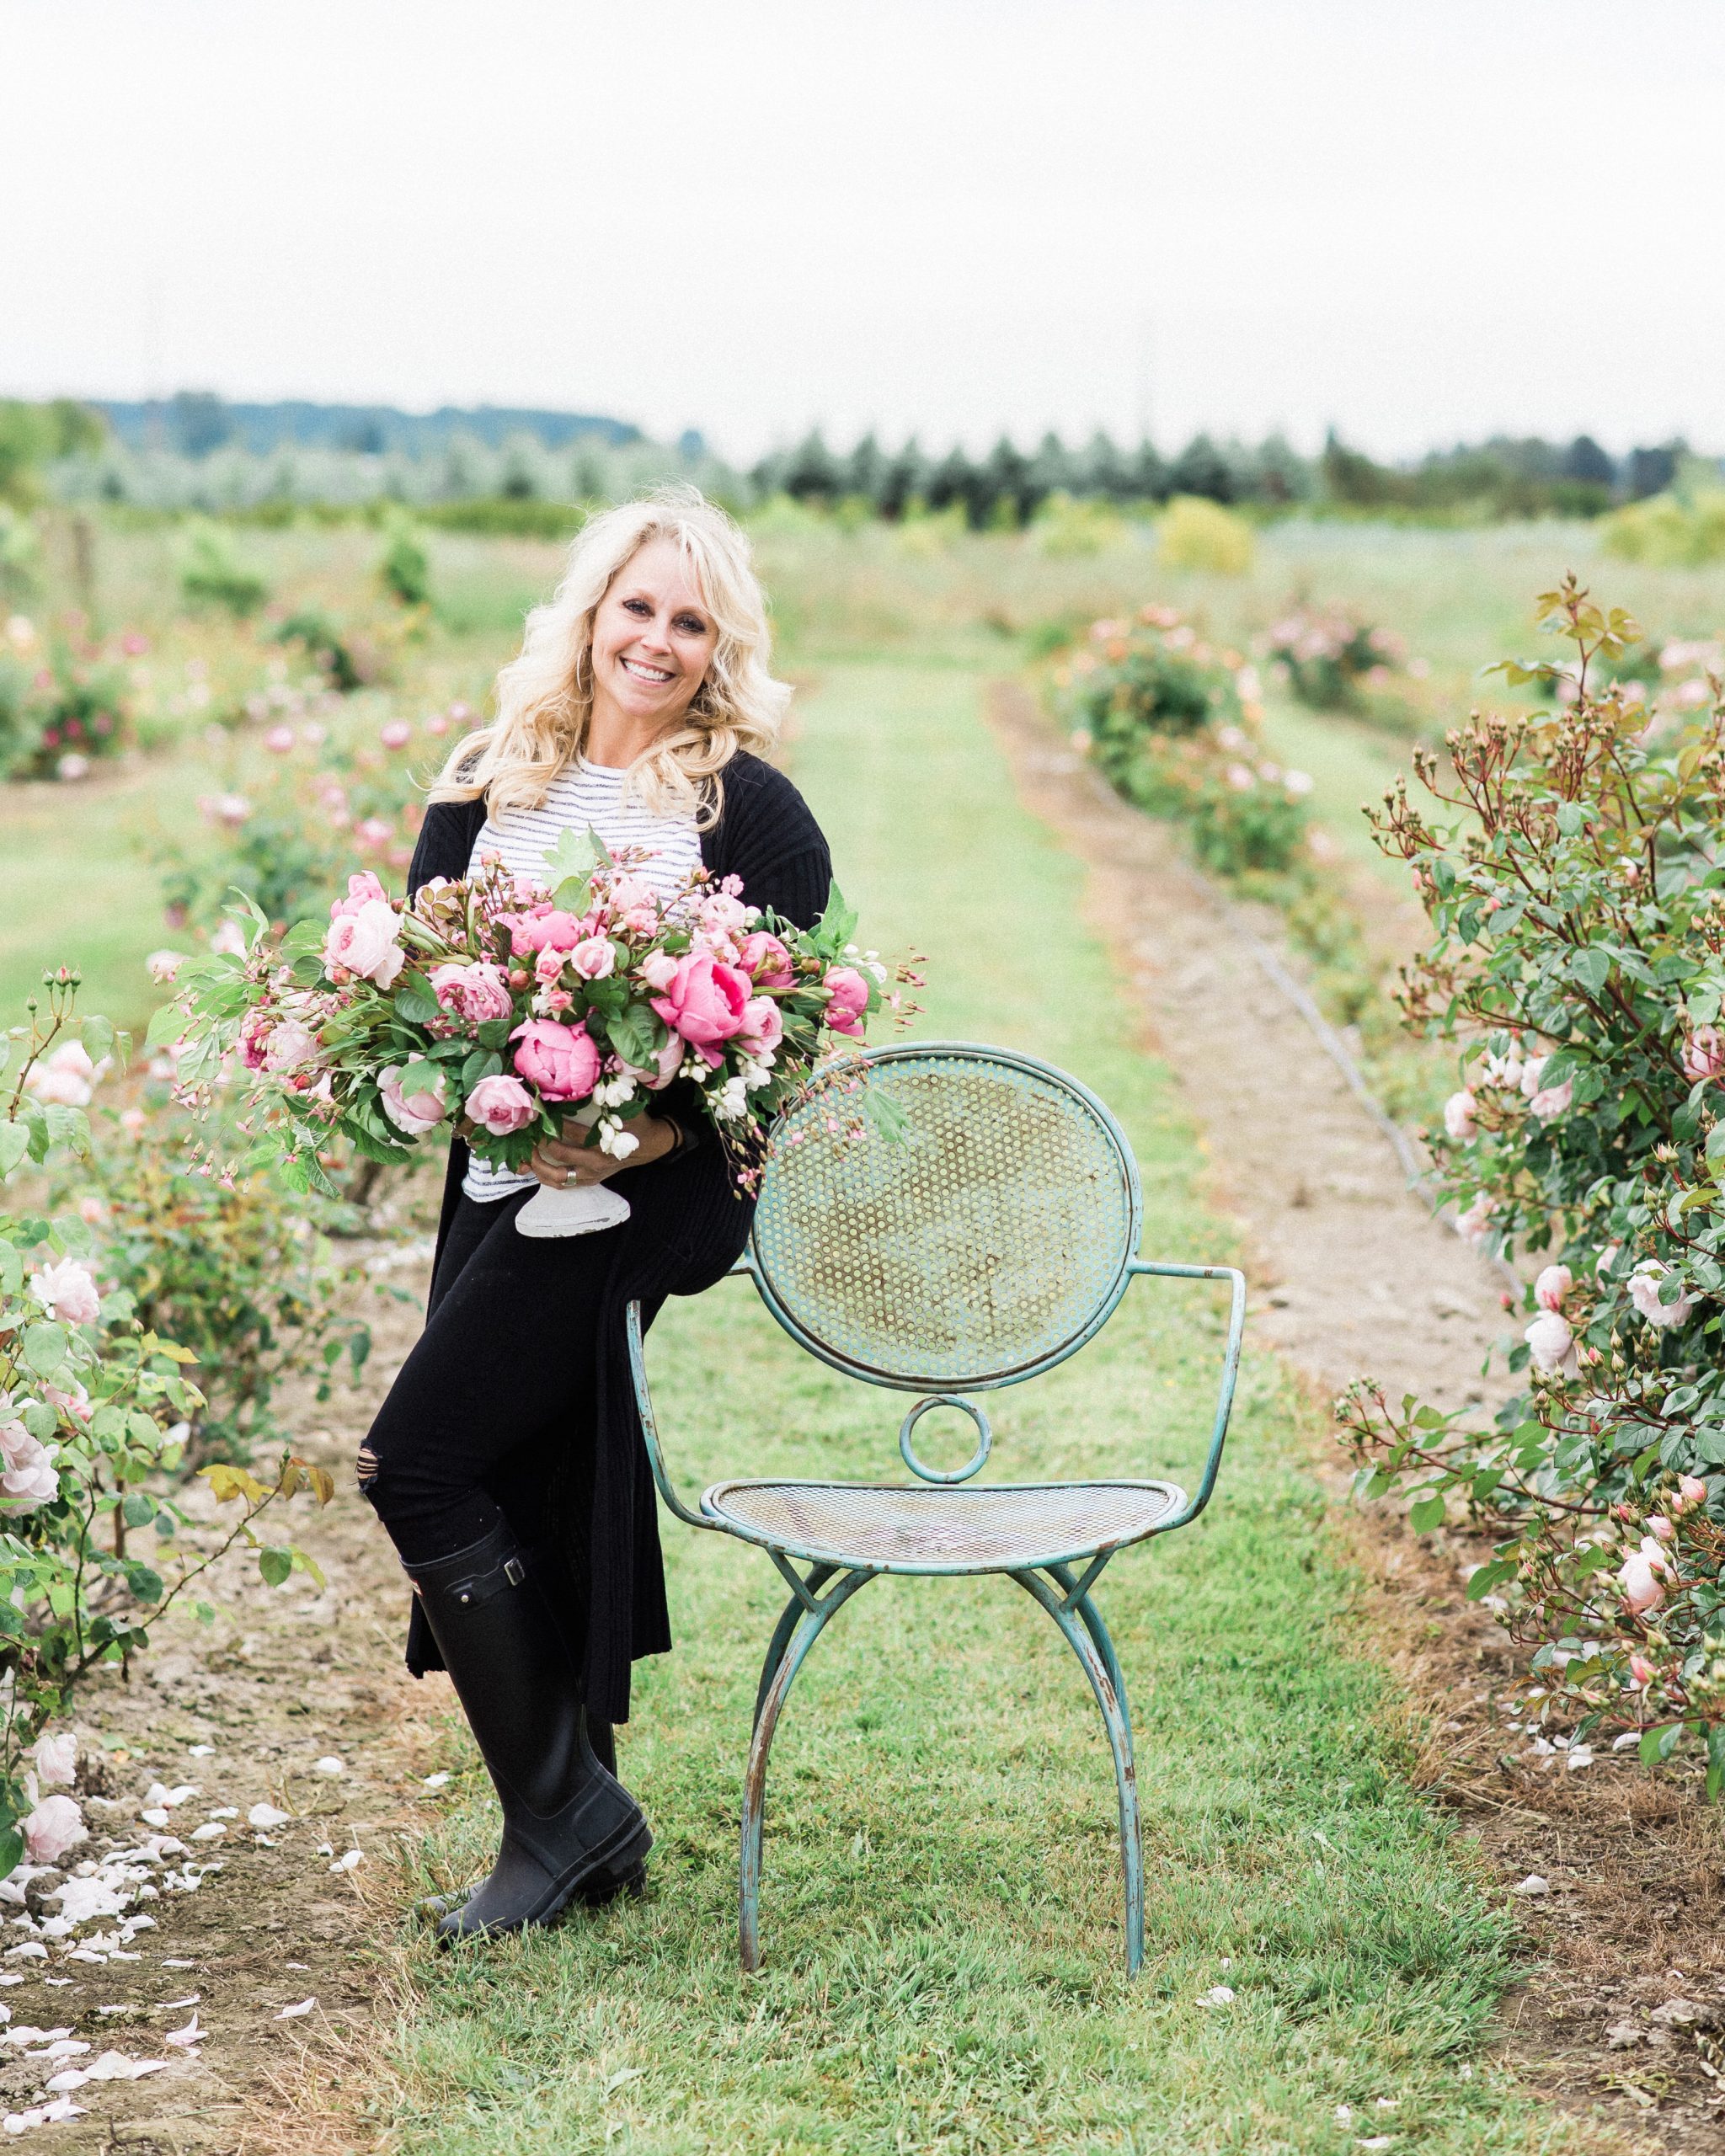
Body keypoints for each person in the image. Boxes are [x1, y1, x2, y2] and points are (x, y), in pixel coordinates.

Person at [358, 487, 832, 1940]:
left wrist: (637, 1141)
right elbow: (430, 988)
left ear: (721, 645)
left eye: (692, 622)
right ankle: (572, 1822)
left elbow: (784, 1038)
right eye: (638, 608)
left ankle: (567, 1815)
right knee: (530, 1463)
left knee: (418, 1462)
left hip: (646, 1199)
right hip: (499, 1181)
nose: (660, 642)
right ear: (589, 611)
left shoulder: (739, 805)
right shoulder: (490, 773)